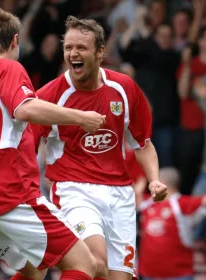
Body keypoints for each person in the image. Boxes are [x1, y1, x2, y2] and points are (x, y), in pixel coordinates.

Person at [0, 8, 107, 280]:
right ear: (14, 41)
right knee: (84, 265)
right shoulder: (7, 67)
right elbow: (24, 109)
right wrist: (80, 118)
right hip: (7, 193)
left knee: (34, 271)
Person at [30, 16, 168, 280]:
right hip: (74, 190)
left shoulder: (124, 88)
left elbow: (143, 143)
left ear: (100, 52)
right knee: (94, 261)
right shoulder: (49, 97)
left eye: (81, 47)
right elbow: (27, 145)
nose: (73, 53)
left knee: (118, 278)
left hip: (120, 196)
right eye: (69, 47)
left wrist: (154, 180)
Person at [137, 167, 206, 280]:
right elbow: (135, 202)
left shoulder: (181, 203)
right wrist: (138, 191)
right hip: (148, 273)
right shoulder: (148, 203)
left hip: (178, 274)